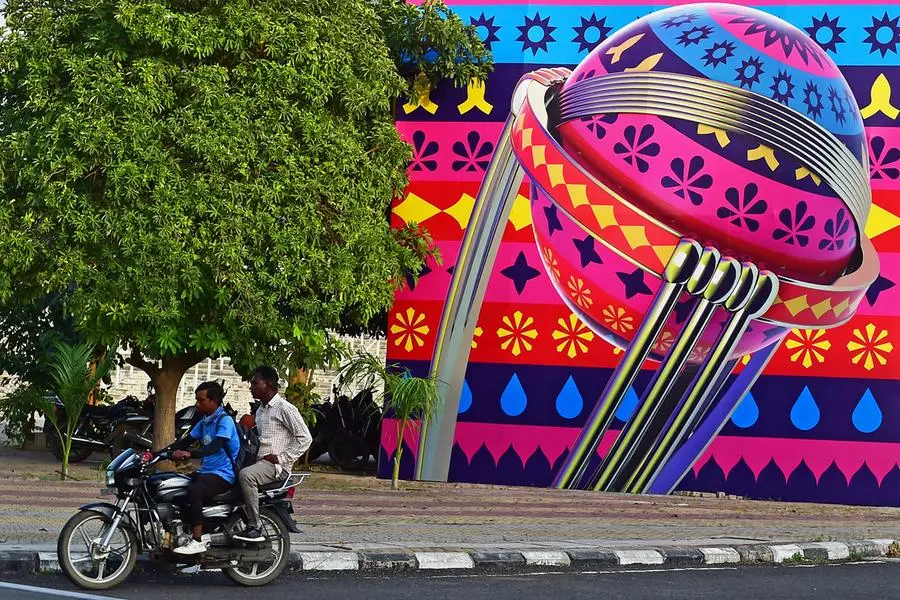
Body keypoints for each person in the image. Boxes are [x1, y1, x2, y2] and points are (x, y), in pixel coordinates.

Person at [234, 366, 311, 542]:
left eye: (255, 383)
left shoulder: (284, 408)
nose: (251, 387)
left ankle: (255, 526)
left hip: (276, 467)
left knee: (246, 476)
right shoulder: (261, 410)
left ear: (269, 384)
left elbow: (305, 438)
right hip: (259, 463)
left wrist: (281, 458)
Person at [164, 380, 240, 555]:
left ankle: (197, 540)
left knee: (195, 490)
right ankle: (184, 531)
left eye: (201, 400)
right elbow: (184, 441)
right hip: (207, 472)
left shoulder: (225, 421)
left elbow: (215, 446)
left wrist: (190, 454)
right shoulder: (205, 421)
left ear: (213, 401)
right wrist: (157, 454)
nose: (197, 404)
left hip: (224, 474)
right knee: (176, 486)